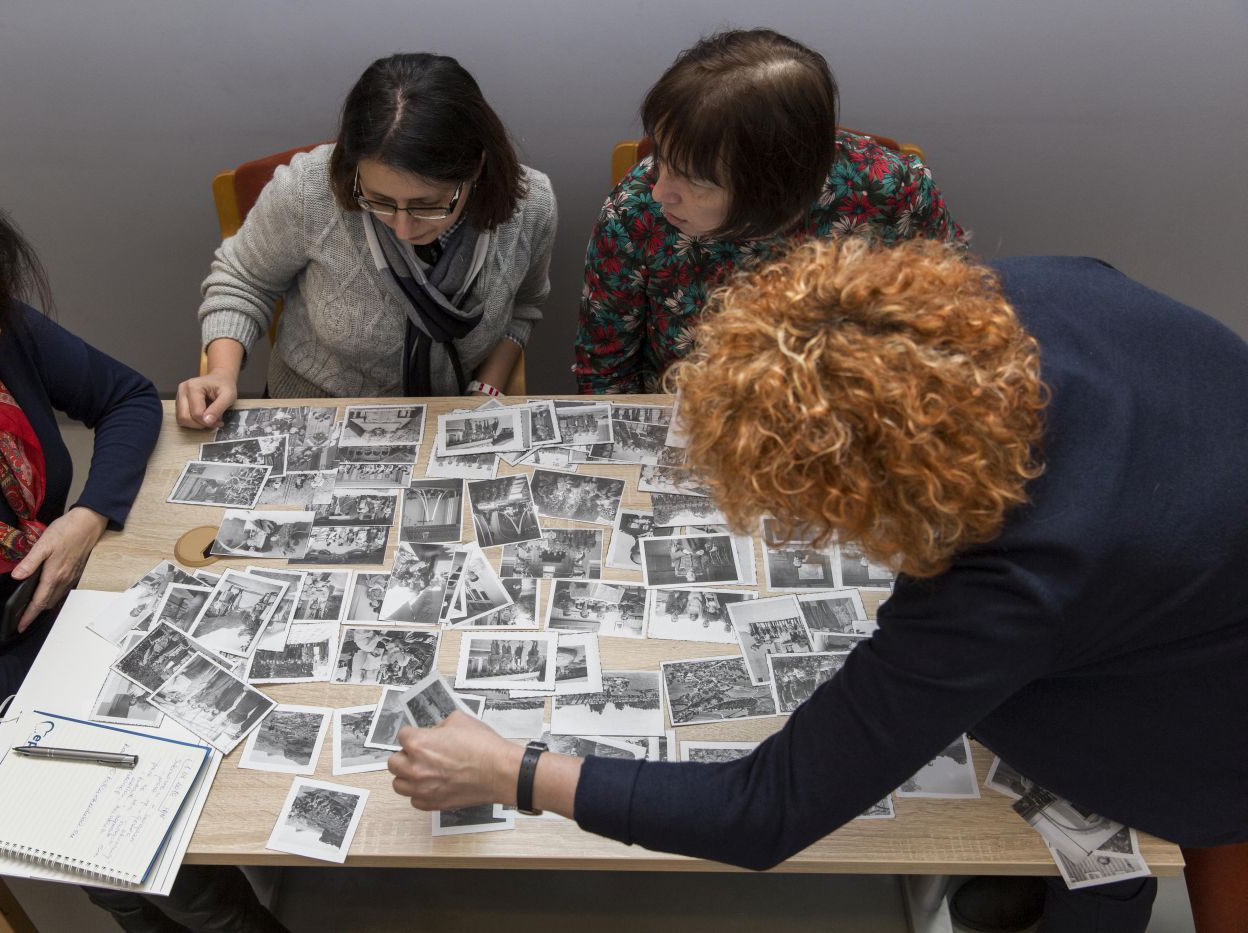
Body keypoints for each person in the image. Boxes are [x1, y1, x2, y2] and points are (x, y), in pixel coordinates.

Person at [390, 239, 1248, 932]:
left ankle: (1098, 902)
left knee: (1106, 845)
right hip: (1186, 535)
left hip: (1205, 707)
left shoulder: (1013, 585)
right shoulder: (1020, 292)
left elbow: (765, 811)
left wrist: (511, 769)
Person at [0, 169, 284, 932]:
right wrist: (72, 661)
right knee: (115, 803)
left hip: (38, 612)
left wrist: (87, 514)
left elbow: (127, 397)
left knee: (193, 719)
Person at [574, 28, 964, 394]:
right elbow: (606, 374)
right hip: (690, 417)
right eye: (663, 155)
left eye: (696, 181)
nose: (661, 191)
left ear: (774, 185)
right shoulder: (636, 210)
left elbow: (951, 331)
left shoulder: (893, 193)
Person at [177, 52, 557, 426]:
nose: (403, 229)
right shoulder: (310, 190)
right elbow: (243, 280)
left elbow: (523, 307)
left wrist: (484, 391)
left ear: (477, 168)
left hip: (447, 415)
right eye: (379, 200)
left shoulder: (530, 206)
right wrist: (221, 373)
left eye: (428, 205)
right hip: (313, 413)